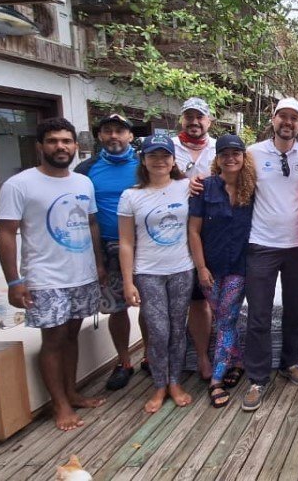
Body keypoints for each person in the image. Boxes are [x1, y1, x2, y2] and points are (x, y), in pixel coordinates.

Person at [0, 117, 106, 431]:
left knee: (72, 335)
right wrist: (14, 281)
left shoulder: (82, 182)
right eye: (53, 141)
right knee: (54, 339)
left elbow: (92, 224)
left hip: (81, 275)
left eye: (66, 141)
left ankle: (72, 392)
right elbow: (6, 233)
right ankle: (59, 405)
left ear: (75, 146)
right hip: (45, 278)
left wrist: (98, 264)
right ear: (40, 147)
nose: (61, 146)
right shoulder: (20, 184)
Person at [241, 97, 298, 411]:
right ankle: (258, 377)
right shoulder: (253, 153)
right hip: (261, 244)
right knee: (258, 313)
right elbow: (235, 185)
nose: (288, 123)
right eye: (282, 117)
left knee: (295, 308)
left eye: (294, 118)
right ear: (273, 119)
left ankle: (291, 362)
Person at [117, 135, 196, 413]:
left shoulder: (187, 187)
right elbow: (126, 242)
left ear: (174, 160)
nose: (159, 161)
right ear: (143, 160)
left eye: (165, 155)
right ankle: (159, 384)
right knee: (158, 330)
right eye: (153, 155)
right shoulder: (131, 196)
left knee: (177, 329)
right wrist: (128, 282)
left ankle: (175, 381)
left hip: (182, 269)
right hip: (148, 272)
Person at [74, 113, 144, 391]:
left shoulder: (145, 164)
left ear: (130, 136)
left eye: (120, 131)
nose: (114, 136)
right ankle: (124, 361)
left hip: (144, 246)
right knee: (117, 309)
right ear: (100, 136)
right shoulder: (85, 170)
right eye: (108, 131)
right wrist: (96, 260)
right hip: (106, 246)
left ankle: (151, 357)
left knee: (150, 307)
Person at [188, 134, 255, 408]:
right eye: (225, 153)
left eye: (236, 153)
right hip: (210, 268)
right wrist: (201, 267)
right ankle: (237, 361)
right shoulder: (204, 187)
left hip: (238, 267)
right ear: (217, 158)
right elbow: (193, 230)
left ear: (243, 156)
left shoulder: (252, 189)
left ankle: (216, 380)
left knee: (225, 320)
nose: (231, 158)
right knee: (222, 317)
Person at [171, 97, 216, 381]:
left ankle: (201, 356)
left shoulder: (218, 149)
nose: (194, 122)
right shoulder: (167, 148)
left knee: (201, 298)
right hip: (170, 232)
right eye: (189, 116)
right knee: (168, 301)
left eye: (200, 117)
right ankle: (157, 357)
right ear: (182, 120)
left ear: (209, 121)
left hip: (208, 231)